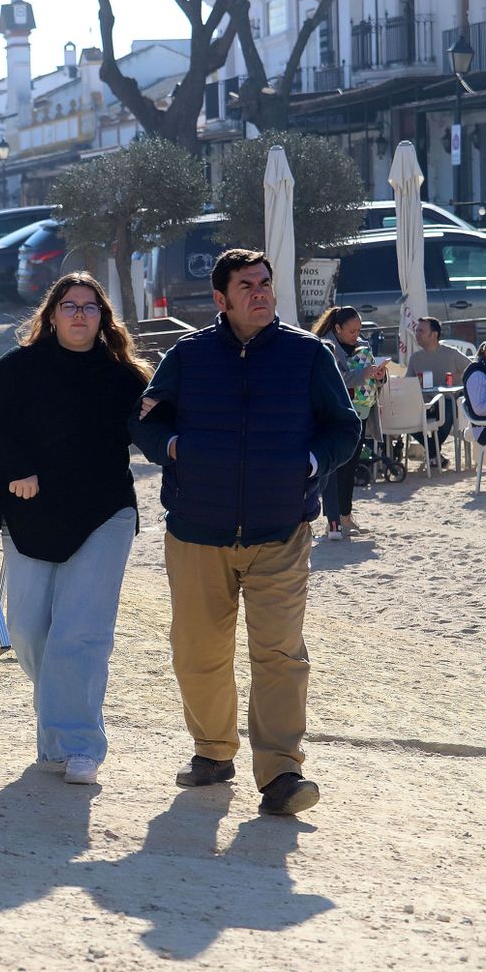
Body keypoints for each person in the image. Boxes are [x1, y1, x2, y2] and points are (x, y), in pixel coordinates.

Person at [129, 248, 360, 816]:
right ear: (220, 299)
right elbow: (145, 417)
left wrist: (310, 463)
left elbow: (344, 427)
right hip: (196, 530)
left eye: (265, 283)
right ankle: (213, 751)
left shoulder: (307, 356)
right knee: (197, 651)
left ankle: (281, 772)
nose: (260, 293)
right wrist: (174, 448)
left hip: (280, 529)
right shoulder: (188, 355)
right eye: (247, 285)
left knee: (280, 654)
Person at [0, 274, 150, 785]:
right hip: (30, 513)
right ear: (53, 314)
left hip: (105, 514)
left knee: (80, 633)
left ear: (103, 318)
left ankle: (80, 745)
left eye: (90, 307)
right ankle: (62, 727)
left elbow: (155, 429)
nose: (80, 314)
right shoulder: (22, 366)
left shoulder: (125, 376)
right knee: (26, 630)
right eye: (69, 306)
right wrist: (18, 466)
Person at [312, 306, 383, 540]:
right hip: (335, 414)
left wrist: (379, 376)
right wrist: (365, 374)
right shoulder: (324, 347)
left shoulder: (362, 346)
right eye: (352, 331)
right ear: (338, 328)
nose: (357, 335)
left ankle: (345, 516)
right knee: (334, 470)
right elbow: (336, 379)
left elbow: (371, 379)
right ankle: (333, 520)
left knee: (350, 466)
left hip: (360, 411)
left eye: (359, 330)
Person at [406, 317, 471, 467]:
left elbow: (473, 370)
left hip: (449, 403)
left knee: (447, 409)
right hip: (425, 404)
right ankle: (433, 450)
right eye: (416, 330)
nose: (417, 334)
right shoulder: (415, 358)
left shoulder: (451, 354)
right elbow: (408, 384)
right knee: (404, 416)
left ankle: (432, 451)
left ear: (434, 335)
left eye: (421, 331)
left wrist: (459, 380)